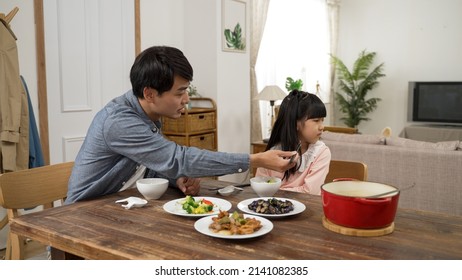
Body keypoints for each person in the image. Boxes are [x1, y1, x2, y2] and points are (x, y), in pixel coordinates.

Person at [66, 46, 298, 204]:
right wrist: (254, 160)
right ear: (150, 93)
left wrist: (175, 179)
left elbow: (151, 162)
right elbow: (179, 159)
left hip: (121, 204)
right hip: (80, 215)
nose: (186, 99)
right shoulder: (119, 122)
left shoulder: (149, 113)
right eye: (180, 92)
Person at [255, 90, 331, 195]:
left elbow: (310, 192)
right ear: (296, 123)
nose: (322, 126)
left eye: (322, 120)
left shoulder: (321, 152)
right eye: (316, 120)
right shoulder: (273, 152)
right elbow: (260, 186)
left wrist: (276, 191)